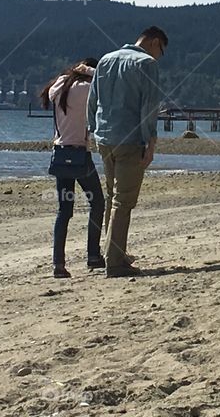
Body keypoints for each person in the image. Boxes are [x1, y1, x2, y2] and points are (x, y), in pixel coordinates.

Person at [87, 26, 167, 278]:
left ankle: (115, 253)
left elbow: (93, 100)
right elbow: (148, 107)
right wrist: (150, 142)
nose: (159, 57)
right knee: (123, 202)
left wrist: (93, 130)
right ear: (154, 42)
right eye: (161, 51)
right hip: (130, 139)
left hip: (105, 137)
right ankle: (115, 262)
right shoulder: (147, 64)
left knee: (113, 197)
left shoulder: (106, 60)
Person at [40, 58, 106, 278]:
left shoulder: (60, 86)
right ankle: (93, 255)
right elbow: (102, 80)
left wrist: (75, 69)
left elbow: (50, 90)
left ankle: (58, 263)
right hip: (80, 156)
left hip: (60, 155)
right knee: (97, 202)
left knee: (64, 210)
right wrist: (89, 70)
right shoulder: (88, 88)